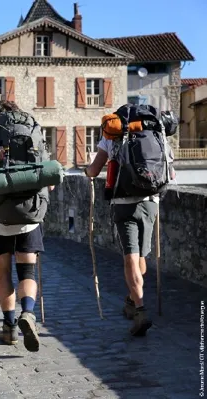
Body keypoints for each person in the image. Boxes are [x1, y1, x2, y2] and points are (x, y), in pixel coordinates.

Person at [0, 100, 53, 353]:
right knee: (26, 272)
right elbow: (49, 183)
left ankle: (9, 327)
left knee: (3, 272)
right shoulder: (35, 141)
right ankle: (28, 312)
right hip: (30, 218)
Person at [85, 104, 176, 336]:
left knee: (130, 259)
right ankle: (132, 300)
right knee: (141, 258)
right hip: (149, 202)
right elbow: (171, 173)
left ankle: (140, 310)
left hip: (123, 204)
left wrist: (87, 172)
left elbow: (94, 170)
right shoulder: (158, 135)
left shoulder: (113, 138)